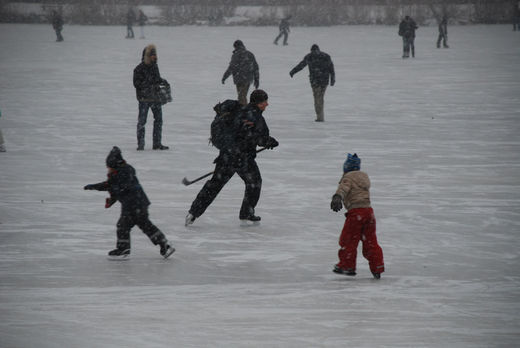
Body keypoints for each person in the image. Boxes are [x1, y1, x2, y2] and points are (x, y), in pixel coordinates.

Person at [185, 90, 278, 226]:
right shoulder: (254, 116)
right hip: (242, 158)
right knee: (254, 183)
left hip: (227, 156)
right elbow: (255, 137)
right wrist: (270, 141)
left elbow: (239, 133)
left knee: (215, 185)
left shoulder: (240, 111)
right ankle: (247, 212)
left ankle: (193, 213)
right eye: (264, 102)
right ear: (258, 103)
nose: (267, 104)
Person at [84, 146, 175, 260]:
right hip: (136, 204)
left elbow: (119, 187)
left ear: (115, 165)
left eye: (109, 167)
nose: (108, 169)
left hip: (134, 204)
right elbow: (110, 185)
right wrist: (94, 187)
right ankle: (164, 245)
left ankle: (124, 249)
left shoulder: (125, 171)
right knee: (142, 226)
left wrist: (112, 191)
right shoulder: (119, 172)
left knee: (126, 226)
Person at [330, 153, 384, 279]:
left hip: (356, 214)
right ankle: (378, 266)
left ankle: (347, 266)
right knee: (370, 241)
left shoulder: (348, 177)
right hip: (369, 212)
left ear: (347, 166)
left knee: (348, 239)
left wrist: (337, 197)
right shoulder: (364, 177)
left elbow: (344, 188)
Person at [133, 44, 169, 151]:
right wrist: (149, 84)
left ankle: (157, 144)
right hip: (144, 99)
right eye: (153, 55)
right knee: (142, 122)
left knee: (159, 120)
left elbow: (156, 79)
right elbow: (137, 84)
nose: (155, 57)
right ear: (147, 56)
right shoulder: (138, 69)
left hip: (155, 98)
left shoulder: (154, 66)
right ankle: (141, 144)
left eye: (155, 54)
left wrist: (163, 81)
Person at [289, 44, 335, 122]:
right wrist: (332, 79)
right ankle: (320, 116)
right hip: (324, 80)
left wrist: (293, 71)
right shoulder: (326, 56)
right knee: (319, 97)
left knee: (318, 98)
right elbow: (331, 68)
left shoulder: (310, 56)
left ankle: (320, 117)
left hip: (315, 81)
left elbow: (301, 65)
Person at [222, 40, 260, 106]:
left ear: (235, 47)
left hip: (239, 79)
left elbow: (231, 67)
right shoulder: (249, 54)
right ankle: (244, 111)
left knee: (241, 97)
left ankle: (245, 112)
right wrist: (256, 79)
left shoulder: (236, 55)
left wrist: (225, 77)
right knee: (241, 97)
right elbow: (255, 68)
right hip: (246, 79)